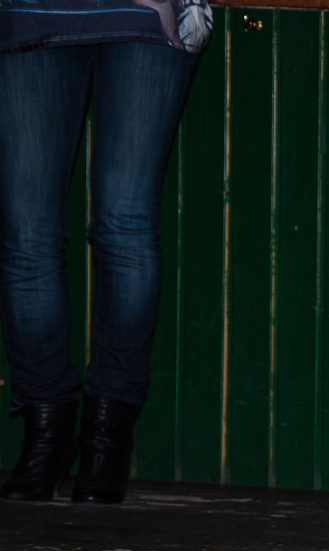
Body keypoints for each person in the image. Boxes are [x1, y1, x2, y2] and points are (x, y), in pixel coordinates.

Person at [0, 0, 211, 504]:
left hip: (145, 13)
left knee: (121, 228)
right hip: (37, 10)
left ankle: (105, 440)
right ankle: (47, 436)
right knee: (30, 236)